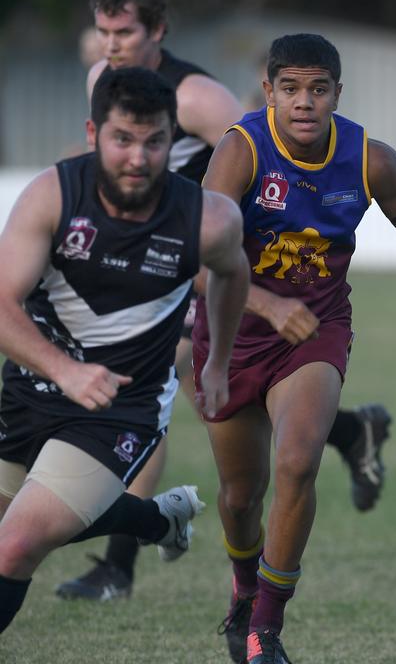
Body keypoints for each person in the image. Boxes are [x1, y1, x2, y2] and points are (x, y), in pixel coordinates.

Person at [60, 0, 394, 605]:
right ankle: (350, 433)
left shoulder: (198, 99)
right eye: (102, 31)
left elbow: (253, 155)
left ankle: (121, 563)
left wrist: (256, 268)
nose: (111, 44)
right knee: (209, 399)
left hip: (195, 270)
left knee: (155, 390)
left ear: (157, 30)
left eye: (124, 31)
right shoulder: (99, 83)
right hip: (147, 266)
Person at [195, 33, 396, 664]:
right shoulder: (241, 150)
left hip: (315, 332)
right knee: (238, 497)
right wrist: (266, 304)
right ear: (269, 92)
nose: (304, 103)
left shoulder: (370, 159)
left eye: (318, 89)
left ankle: (265, 629)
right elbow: (199, 262)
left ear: (338, 92)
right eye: (290, 89)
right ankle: (243, 587)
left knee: (297, 463)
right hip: (232, 334)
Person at [0, 66, 249, 633]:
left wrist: (216, 360)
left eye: (154, 141)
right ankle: (156, 520)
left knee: (12, 547)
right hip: (32, 391)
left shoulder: (206, 218)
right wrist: (64, 371)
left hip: (121, 412)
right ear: (93, 134)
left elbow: (233, 276)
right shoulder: (52, 195)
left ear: (172, 140)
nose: (138, 157)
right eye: (122, 140)